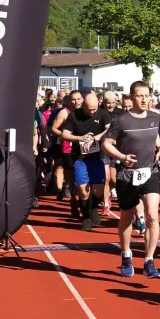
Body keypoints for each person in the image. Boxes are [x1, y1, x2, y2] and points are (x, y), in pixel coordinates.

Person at [101, 81, 160, 278]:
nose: (144, 99)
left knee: (153, 216)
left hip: (150, 172)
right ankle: (126, 253)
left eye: (147, 95)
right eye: (140, 96)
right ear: (131, 97)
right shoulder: (121, 120)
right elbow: (106, 143)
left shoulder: (155, 118)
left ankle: (149, 260)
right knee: (127, 216)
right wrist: (122, 157)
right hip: (127, 175)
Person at [61, 93, 112, 231]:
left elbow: (110, 129)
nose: (92, 112)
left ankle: (93, 207)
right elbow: (64, 134)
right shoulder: (73, 115)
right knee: (83, 191)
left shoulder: (102, 113)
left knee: (99, 192)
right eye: (89, 109)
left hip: (97, 157)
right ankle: (86, 219)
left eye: (94, 109)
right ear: (83, 105)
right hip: (80, 158)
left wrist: (96, 138)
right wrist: (80, 138)